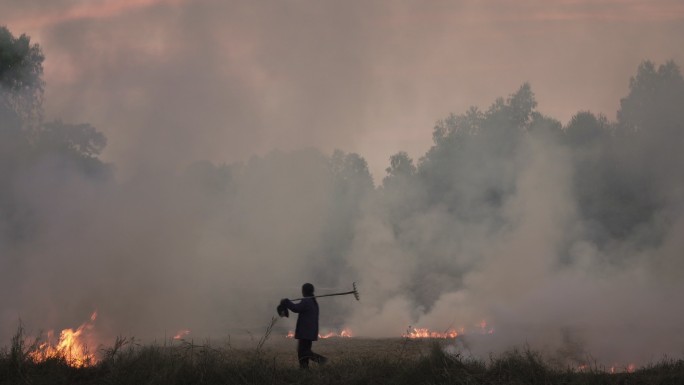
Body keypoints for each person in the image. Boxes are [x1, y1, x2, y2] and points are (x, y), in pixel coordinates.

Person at [281, 283, 328, 369]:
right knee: (303, 352)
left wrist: (287, 302)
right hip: (309, 332)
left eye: (302, 290)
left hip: (305, 332)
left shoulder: (307, 301)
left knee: (304, 352)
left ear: (304, 291)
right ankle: (304, 369)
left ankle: (321, 360)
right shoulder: (313, 301)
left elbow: (296, 308)